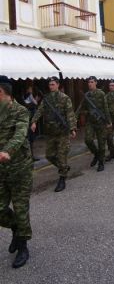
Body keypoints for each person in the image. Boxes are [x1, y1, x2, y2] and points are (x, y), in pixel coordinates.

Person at [0, 76, 33, 268]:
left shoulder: (20, 111)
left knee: (21, 209)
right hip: (1, 170)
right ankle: (15, 228)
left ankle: (23, 246)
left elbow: (20, 134)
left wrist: (7, 151)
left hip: (19, 168)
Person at [31, 77, 77, 192]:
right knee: (49, 155)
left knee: (62, 156)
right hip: (51, 133)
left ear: (57, 85)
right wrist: (34, 121)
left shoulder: (64, 98)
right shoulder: (46, 98)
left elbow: (70, 114)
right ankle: (64, 168)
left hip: (62, 133)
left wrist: (72, 129)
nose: (50, 86)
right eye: (49, 84)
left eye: (52, 84)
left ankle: (62, 178)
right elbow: (40, 110)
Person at [77, 76, 112, 172]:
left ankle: (101, 162)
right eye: (89, 82)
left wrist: (108, 121)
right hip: (90, 122)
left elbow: (106, 108)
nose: (90, 84)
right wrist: (87, 113)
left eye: (92, 82)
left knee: (101, 143)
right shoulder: (87, 95)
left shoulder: (101, 94)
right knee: (88, 140)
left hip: (101, 122)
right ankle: (96, 154)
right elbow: (81, 108)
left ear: (96, 83)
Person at [23, 85, 41, 161]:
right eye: (30, 88)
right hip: (29, 121)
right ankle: (30, 157)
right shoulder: (28, 95)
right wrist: (36, 100)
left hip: (29, 120)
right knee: (29, 139)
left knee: (30, 139)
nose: (31, 90)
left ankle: (30, 156)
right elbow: (35, 103)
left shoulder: (25, 96)